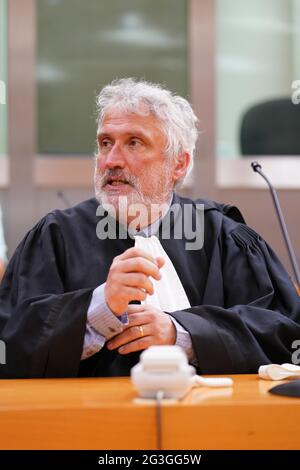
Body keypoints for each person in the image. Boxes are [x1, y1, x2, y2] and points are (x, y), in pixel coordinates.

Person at [0, 78, 299, 379]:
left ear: (178, 165)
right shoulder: (56, 237)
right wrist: (99, 308)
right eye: (105, 143)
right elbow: (9, 344)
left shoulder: (223, 236)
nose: (112, 161)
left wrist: (183, 334)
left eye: (134, 142)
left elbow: (284, 336)